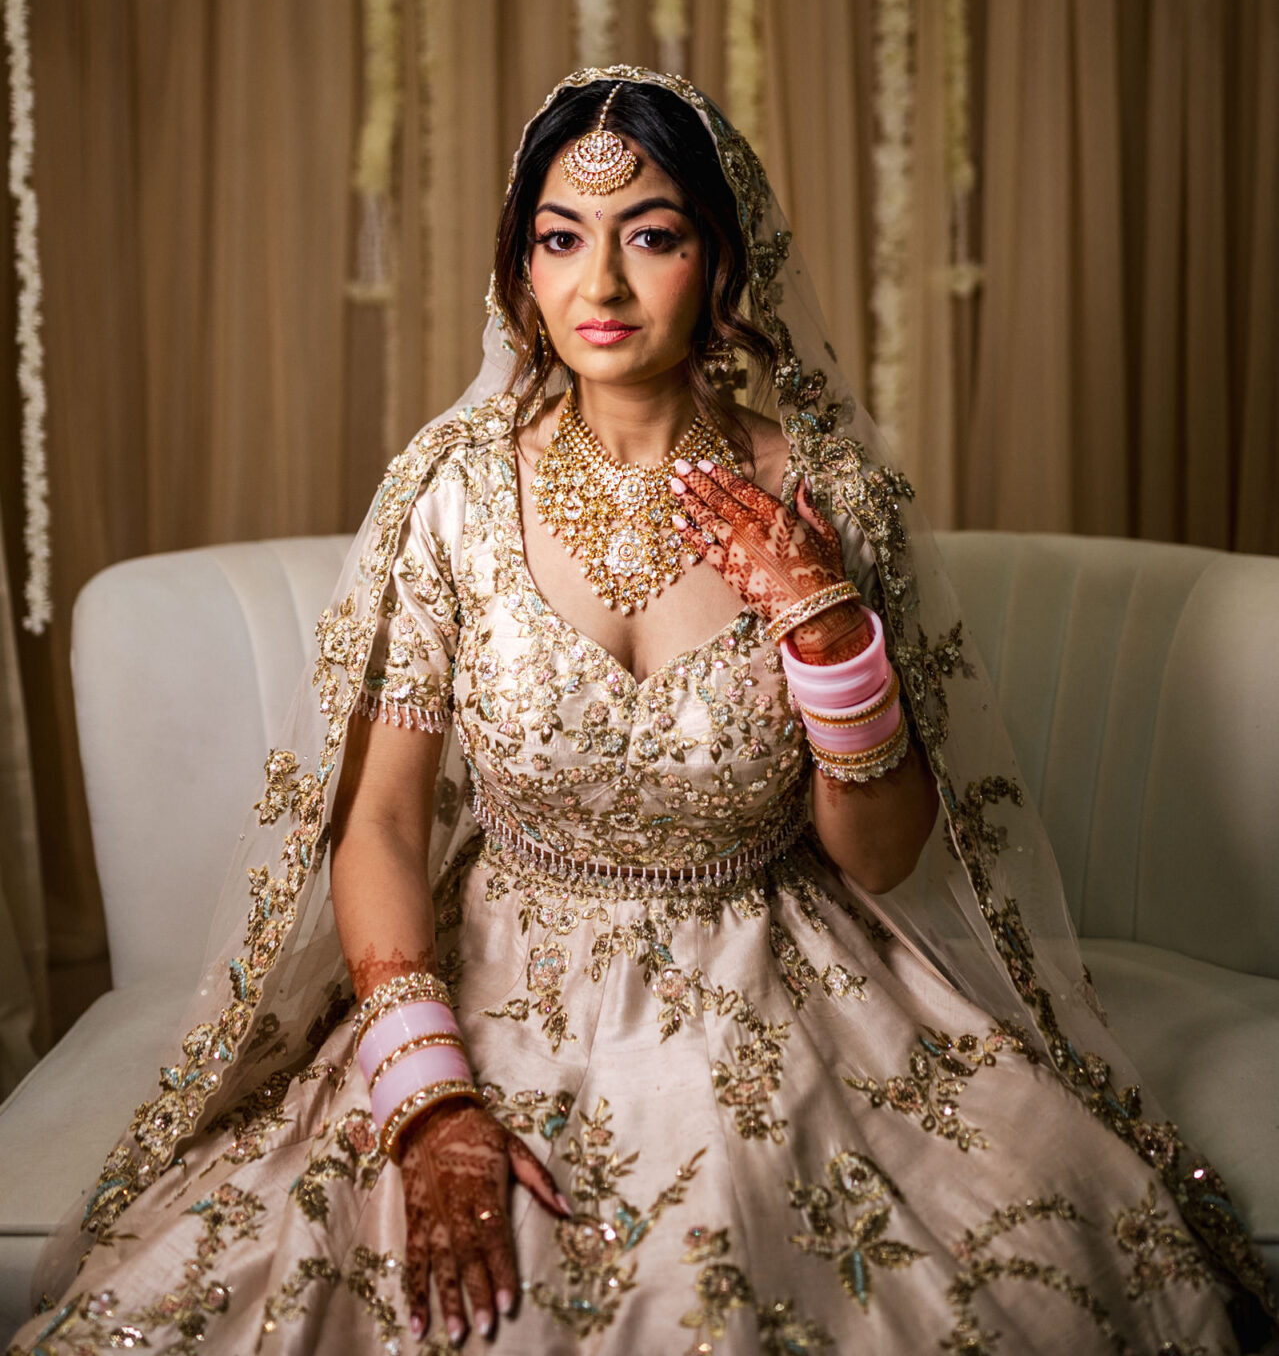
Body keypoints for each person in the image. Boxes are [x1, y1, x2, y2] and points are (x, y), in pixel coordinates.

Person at [14, 68, 1274, 1356]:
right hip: (498, 976)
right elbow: (383, 825)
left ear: (723, 262)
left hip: (777, 972)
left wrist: (830, 635)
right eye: (562, 240)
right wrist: (430, 1100)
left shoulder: (825, 492)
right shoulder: (450, 492)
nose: (600, 288)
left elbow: (883, 857)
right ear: (521, 268)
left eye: (652, 237)